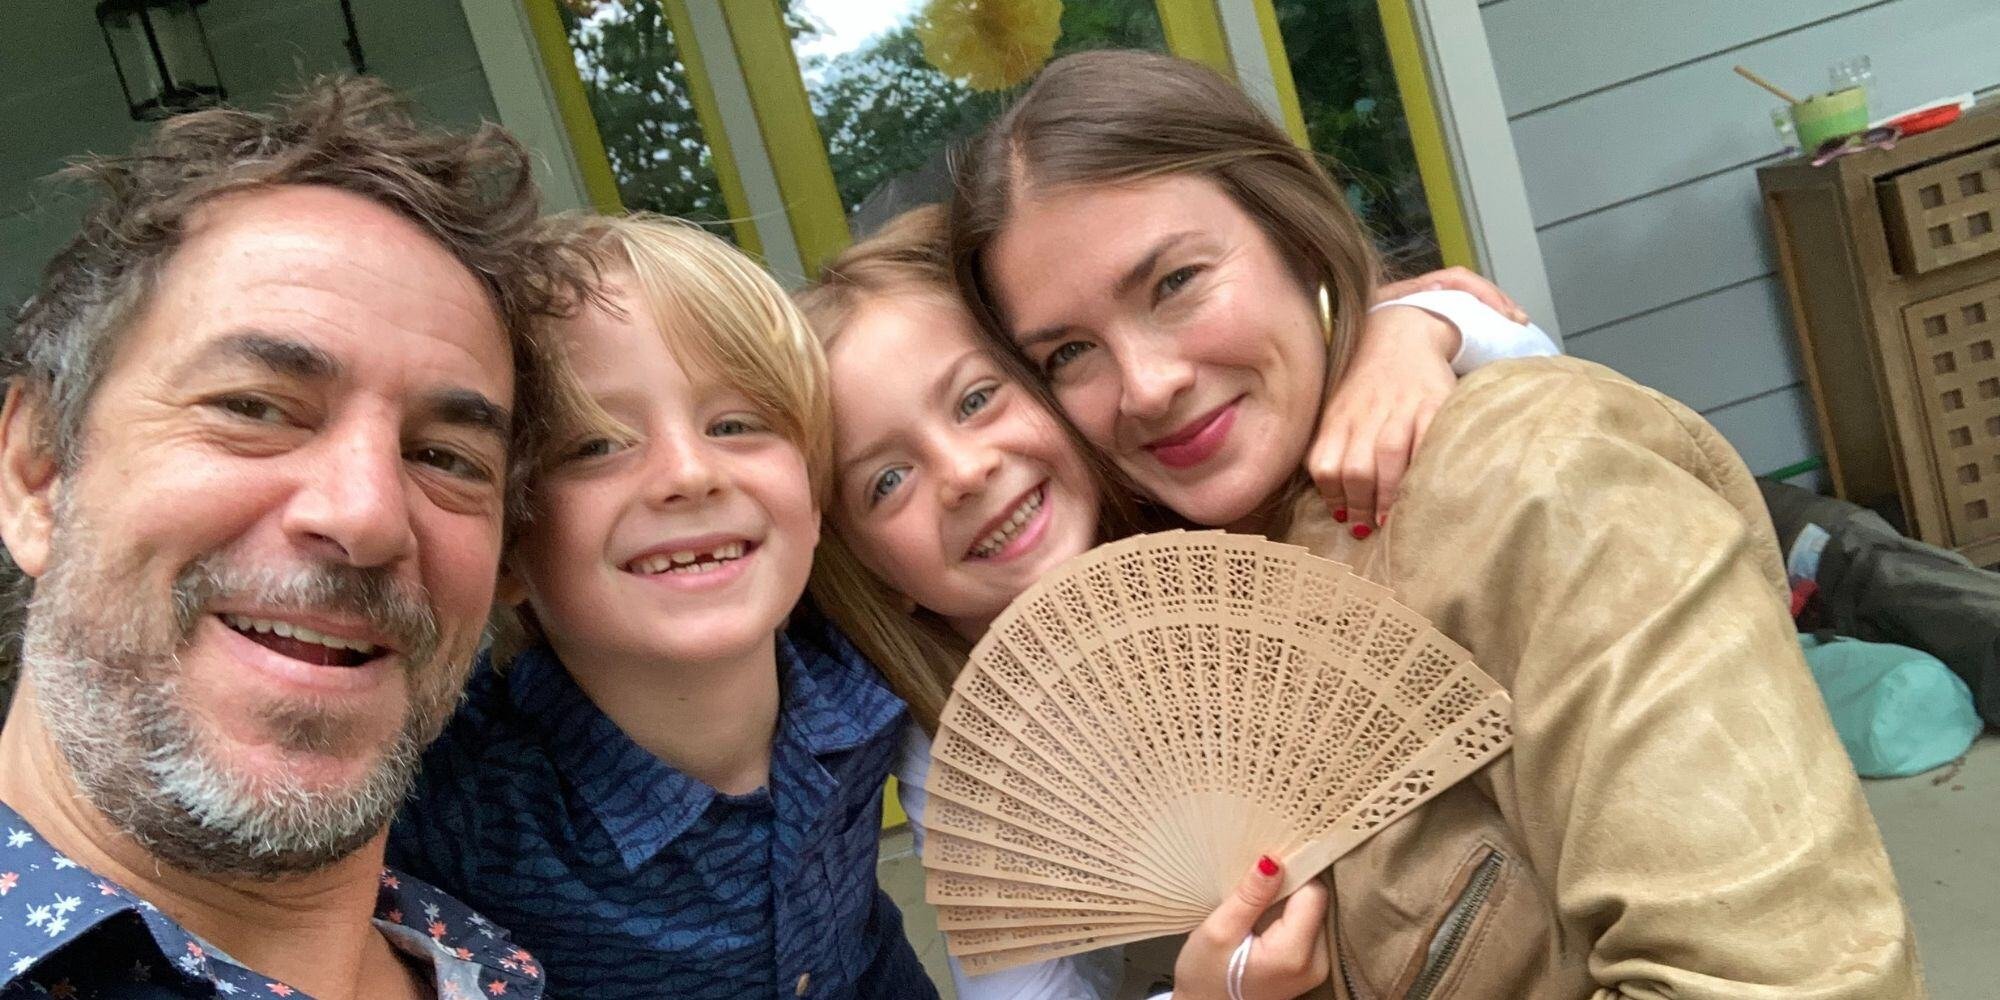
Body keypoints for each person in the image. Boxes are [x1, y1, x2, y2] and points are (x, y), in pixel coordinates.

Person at [945, 49, 1923, 998]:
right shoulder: (1197, 619)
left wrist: (1422, 321)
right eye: (1070, 351)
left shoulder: (1532, 477)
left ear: (1293, 235)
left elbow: (1784, 978)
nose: (1146, 386)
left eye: (1173, 282)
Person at [797, 205, 1553, 999]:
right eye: (887, 481)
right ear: (873, 575)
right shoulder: (965, 747)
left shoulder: (1222, 497)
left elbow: (1546, 404)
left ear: (1055, 388)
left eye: (977, 399)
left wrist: (1414, 329)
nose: (963, 472)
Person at [0, 78, 588, 1000]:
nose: (366, 514)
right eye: (253, 407)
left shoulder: (496, 965)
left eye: (445, 456)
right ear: (38, 472)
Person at [386, 214, 936, 1000]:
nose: (689, 472)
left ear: (813, 498)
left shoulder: (865, 671)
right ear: (506, 549)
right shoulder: (451, 803)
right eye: (597, 445)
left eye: (735, 424)